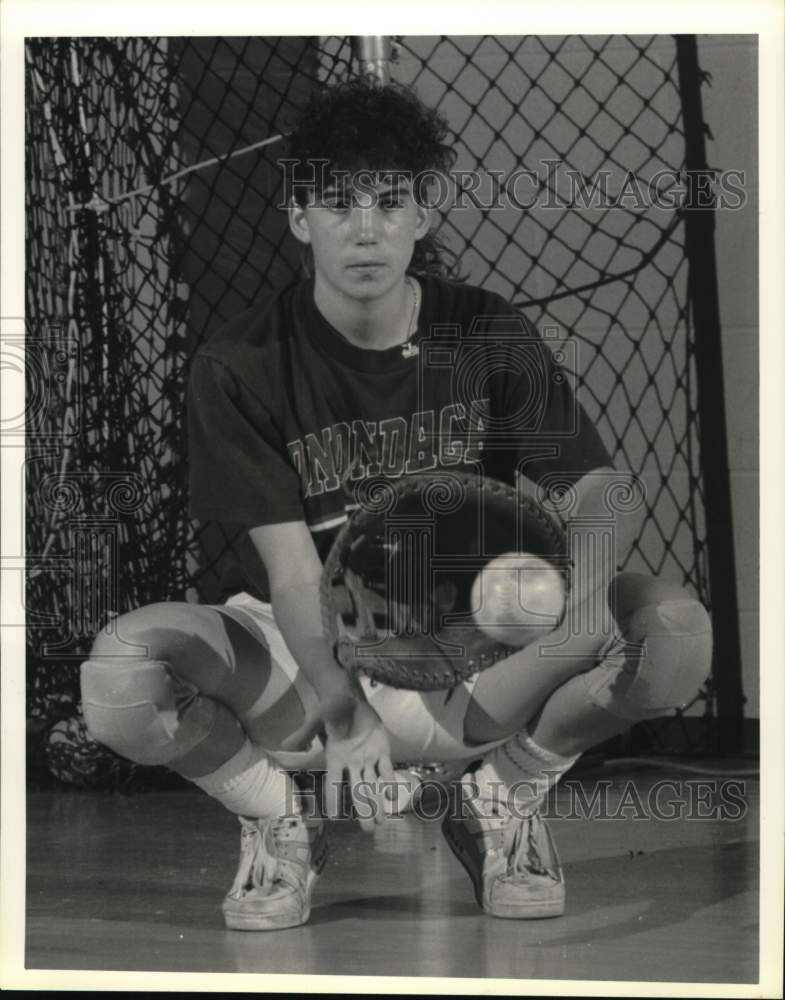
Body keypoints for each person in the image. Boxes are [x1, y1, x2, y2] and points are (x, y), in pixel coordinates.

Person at [80, 78, 713, 931]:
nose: (366, 228)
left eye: (390, 201)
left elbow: (599, 487)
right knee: (120, 672)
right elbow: (295, 574)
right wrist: (344, 712)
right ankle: (279, 819)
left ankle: (502, 797)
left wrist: (580, 600)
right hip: (311, 665)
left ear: (424, 213)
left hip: (476, 656)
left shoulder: (484, 332)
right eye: (338, 204)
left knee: (674, 633)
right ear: (299, 217)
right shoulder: (240, 363)